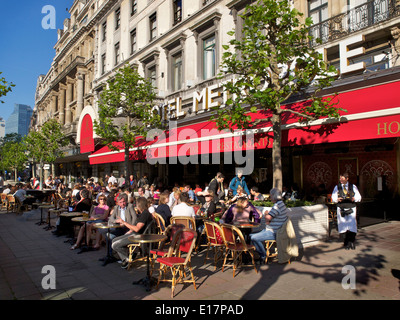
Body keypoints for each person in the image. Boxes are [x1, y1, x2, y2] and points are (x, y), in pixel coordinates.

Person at [249, 188, 289, 264]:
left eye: (270, 196)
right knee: (250, 235)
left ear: (274, 196)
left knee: (253, 237)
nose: (270, 198)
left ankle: (263, 256)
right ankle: (261, 253)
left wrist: (266, 214)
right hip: (275, 230)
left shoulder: (277, 206)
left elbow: (268, 218)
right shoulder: (281, 204)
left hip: (274, 232)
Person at [112, 197, 154, 268]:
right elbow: (136, 227)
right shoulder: (144, 213)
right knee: (114, 240)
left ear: (139, 205)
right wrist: (131, 230)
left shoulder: (145, 214)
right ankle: (128, 256)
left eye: (136, 205)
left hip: (139, 236)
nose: (136, 207)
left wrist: (123, 222)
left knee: (115, 245)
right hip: (135, 233)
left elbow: (137, 229)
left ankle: (126, 259)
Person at [331, 173, 362, 250]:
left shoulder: (353, 186)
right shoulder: (337, 187)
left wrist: (354, 199)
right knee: (343, 225)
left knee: (352, 224)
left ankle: (351, 241)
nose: (340, 180)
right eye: (340, 178)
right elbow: (333, 197)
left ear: (347, 178)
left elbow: (358, 196)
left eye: (342, 178)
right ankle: (346, 242)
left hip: (351, 207)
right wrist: (337, 199)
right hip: (341, 207)